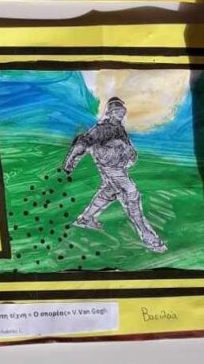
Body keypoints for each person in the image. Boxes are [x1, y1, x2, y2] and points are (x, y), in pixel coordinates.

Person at [63, 96, 166, 252]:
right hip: (110, 168)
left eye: (122, 110)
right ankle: (148, 237)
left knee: (109, 192)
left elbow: (129, 149)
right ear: (110, 112)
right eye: (117, 110)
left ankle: (85, 218)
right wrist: (70, 161)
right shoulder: (102, 129)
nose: (121, 113)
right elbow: (83, 142)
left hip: (118, 168)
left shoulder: (119, 129)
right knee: (131, 193)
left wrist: (130, 153)